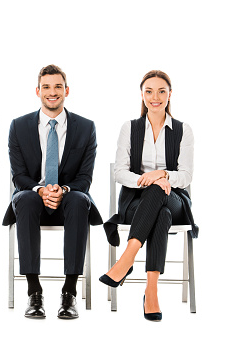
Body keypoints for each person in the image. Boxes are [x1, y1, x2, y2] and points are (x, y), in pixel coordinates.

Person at [2, 64, 102, 319]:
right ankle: (34, 292)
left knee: (80, 200)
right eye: (46, 87)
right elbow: (19, 175)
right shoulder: (19, 126)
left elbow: (85, 177)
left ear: (66, 90)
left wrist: (64, 189)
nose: (52, 92)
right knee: (23, 199)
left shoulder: (86, 127)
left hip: (70, 200)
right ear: (38, 91)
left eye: (58, 86)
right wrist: (40, 190)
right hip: (32, 200)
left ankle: (69, 293)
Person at [100, 70, 197, 321]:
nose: (156, 97)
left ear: (170, 94)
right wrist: (148, 180)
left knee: (162, 196)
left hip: (174, 200)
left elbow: (185, 176)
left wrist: (162, 175)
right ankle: (151, 292)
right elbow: (120, 173)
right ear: (142, 95)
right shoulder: (129, 128)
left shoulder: (183, 130)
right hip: (135, 203)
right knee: (159, 213)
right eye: (149, 91)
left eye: (161, 91)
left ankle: (126, 260)